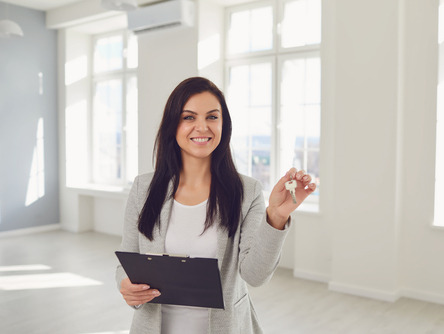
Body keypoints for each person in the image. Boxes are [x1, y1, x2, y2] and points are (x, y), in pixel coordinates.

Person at [116, 77, 316, 334]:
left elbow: (254, 275)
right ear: (172, 125)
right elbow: (127, 260)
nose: (202, 127)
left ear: (224, 126)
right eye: (189, 117)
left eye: (212, 117)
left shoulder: (247, 191)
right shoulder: (143, 189)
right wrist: (124, 283)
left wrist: (276, 216)